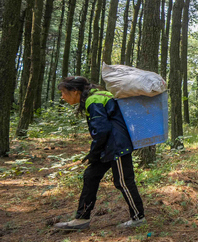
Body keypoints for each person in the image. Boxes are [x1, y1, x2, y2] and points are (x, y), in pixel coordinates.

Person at [53, 76, 145, 231]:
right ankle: (82, 219)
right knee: (90, 175)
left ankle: (138, 218)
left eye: (63, 92)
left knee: (123, 181)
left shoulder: (94, 100)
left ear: (75, 91)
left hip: (117, 146)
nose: (62, 97)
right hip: (108, 146)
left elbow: (102, 130)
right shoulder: (97, 96)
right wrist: (94, 153)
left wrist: (93, 153)